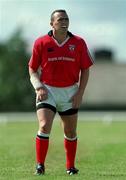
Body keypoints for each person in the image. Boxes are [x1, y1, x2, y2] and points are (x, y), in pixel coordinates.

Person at [28, 9, 93, 176]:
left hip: (70, 92)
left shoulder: (79, 42)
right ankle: (40, 166)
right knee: (44, 126)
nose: (64, 22)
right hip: (47, 90)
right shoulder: (41, 42)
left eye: (66, 19)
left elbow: (85, 69)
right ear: (52, 23)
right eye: (60, 19)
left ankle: (70, 167)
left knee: (70, 132)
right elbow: (32, 69)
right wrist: (38, 86)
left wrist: (80, 93)